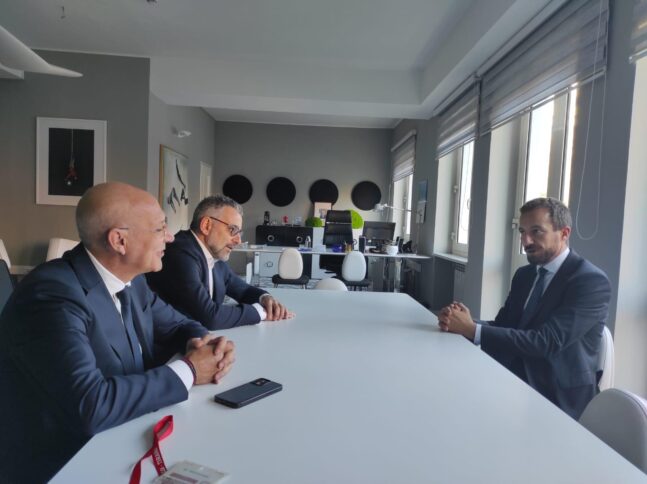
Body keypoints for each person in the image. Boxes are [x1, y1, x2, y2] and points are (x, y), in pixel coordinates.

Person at [0, 182, 235, 483]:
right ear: (119, 241)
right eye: (160, 228)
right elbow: (91, 405)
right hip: (61, 462)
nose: (170, 237)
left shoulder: (133, 281)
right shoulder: (52, 294)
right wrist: (190, 370)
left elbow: (179, 324)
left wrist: (207, 343)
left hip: (122, 435)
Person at [438, 197, 611, 419]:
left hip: (556, 396)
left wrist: (472, 329)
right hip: (511, 379)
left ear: (564, 233)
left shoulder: (589, 281)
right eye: (522, 232)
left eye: (536, 231)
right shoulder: (525, 274)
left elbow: (546, 342)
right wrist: (459, 321)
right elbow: (504, 325)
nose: (526, 240)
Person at [147, 195, 293, 330]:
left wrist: (265, 298)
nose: (238, 241)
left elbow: (243, 290)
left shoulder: (213, 255)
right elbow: (209, 317)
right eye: (232, 230)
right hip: (168, 346)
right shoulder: (180, 252)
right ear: (206, 225)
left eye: (239, 233)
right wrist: (260, 312)